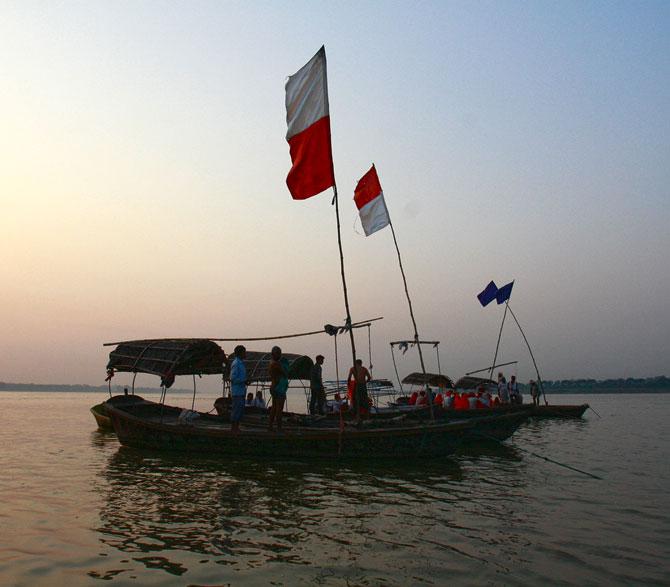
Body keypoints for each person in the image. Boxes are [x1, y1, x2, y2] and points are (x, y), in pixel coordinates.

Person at [268, 345, 289, 432]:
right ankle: (279, 428)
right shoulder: (275, 364)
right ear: (273, 354)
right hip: (278, 388)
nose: (280, 355)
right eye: (278, 353)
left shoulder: (272, 363)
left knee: (274, 408)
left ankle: (271, 426)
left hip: (275, 387)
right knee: (279, 409)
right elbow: (285, 373)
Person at [229, 345, 247, 433]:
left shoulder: (241, 363)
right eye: (244, 352)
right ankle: (234, 428)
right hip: (237, 391)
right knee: (236, 410)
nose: (245, 354)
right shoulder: (236, 364)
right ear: (240, 353)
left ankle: (237, 427)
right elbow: (233, 378)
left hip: (241, 391)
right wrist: (244, 380)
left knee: (240, 410)